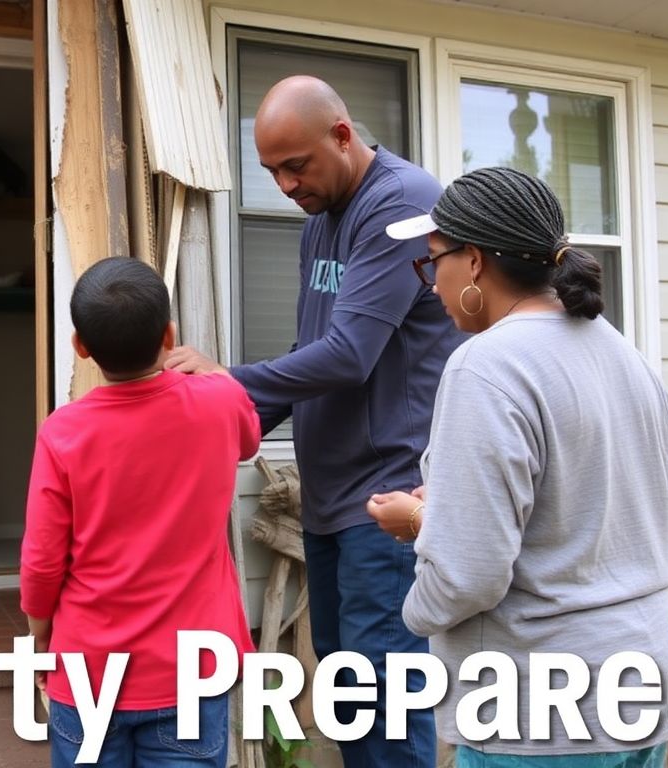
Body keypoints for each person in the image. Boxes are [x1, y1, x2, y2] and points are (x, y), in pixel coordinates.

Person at [168, 75, 460, 766]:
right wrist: (212, 414)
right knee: (348, 692)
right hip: (331, 499)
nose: (286, 185)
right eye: (271, 172)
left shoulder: (402, 206)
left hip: (388, 500)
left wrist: (224, 378)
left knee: (384, 705)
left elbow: (350, 357)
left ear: (341, 133)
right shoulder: (323, 220)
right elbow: (309, 353)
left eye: (296, 165)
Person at [368, 166, 668, 766]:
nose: (431, 282)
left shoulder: (484, 367)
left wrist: (418, 552)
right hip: (644, 691)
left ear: (476, 263)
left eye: (432, 260)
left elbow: (470, 575)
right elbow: (659, 516)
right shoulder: (629, 357)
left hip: (538, 712)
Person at [21, 257, 261, 767]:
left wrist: (40, 633)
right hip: (194, 668)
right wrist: (216, 371)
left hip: (87, 668)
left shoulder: (63, 432)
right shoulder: (220, 400)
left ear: (80, 347)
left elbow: (43, 558)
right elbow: (249, 440)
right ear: (169, 335)